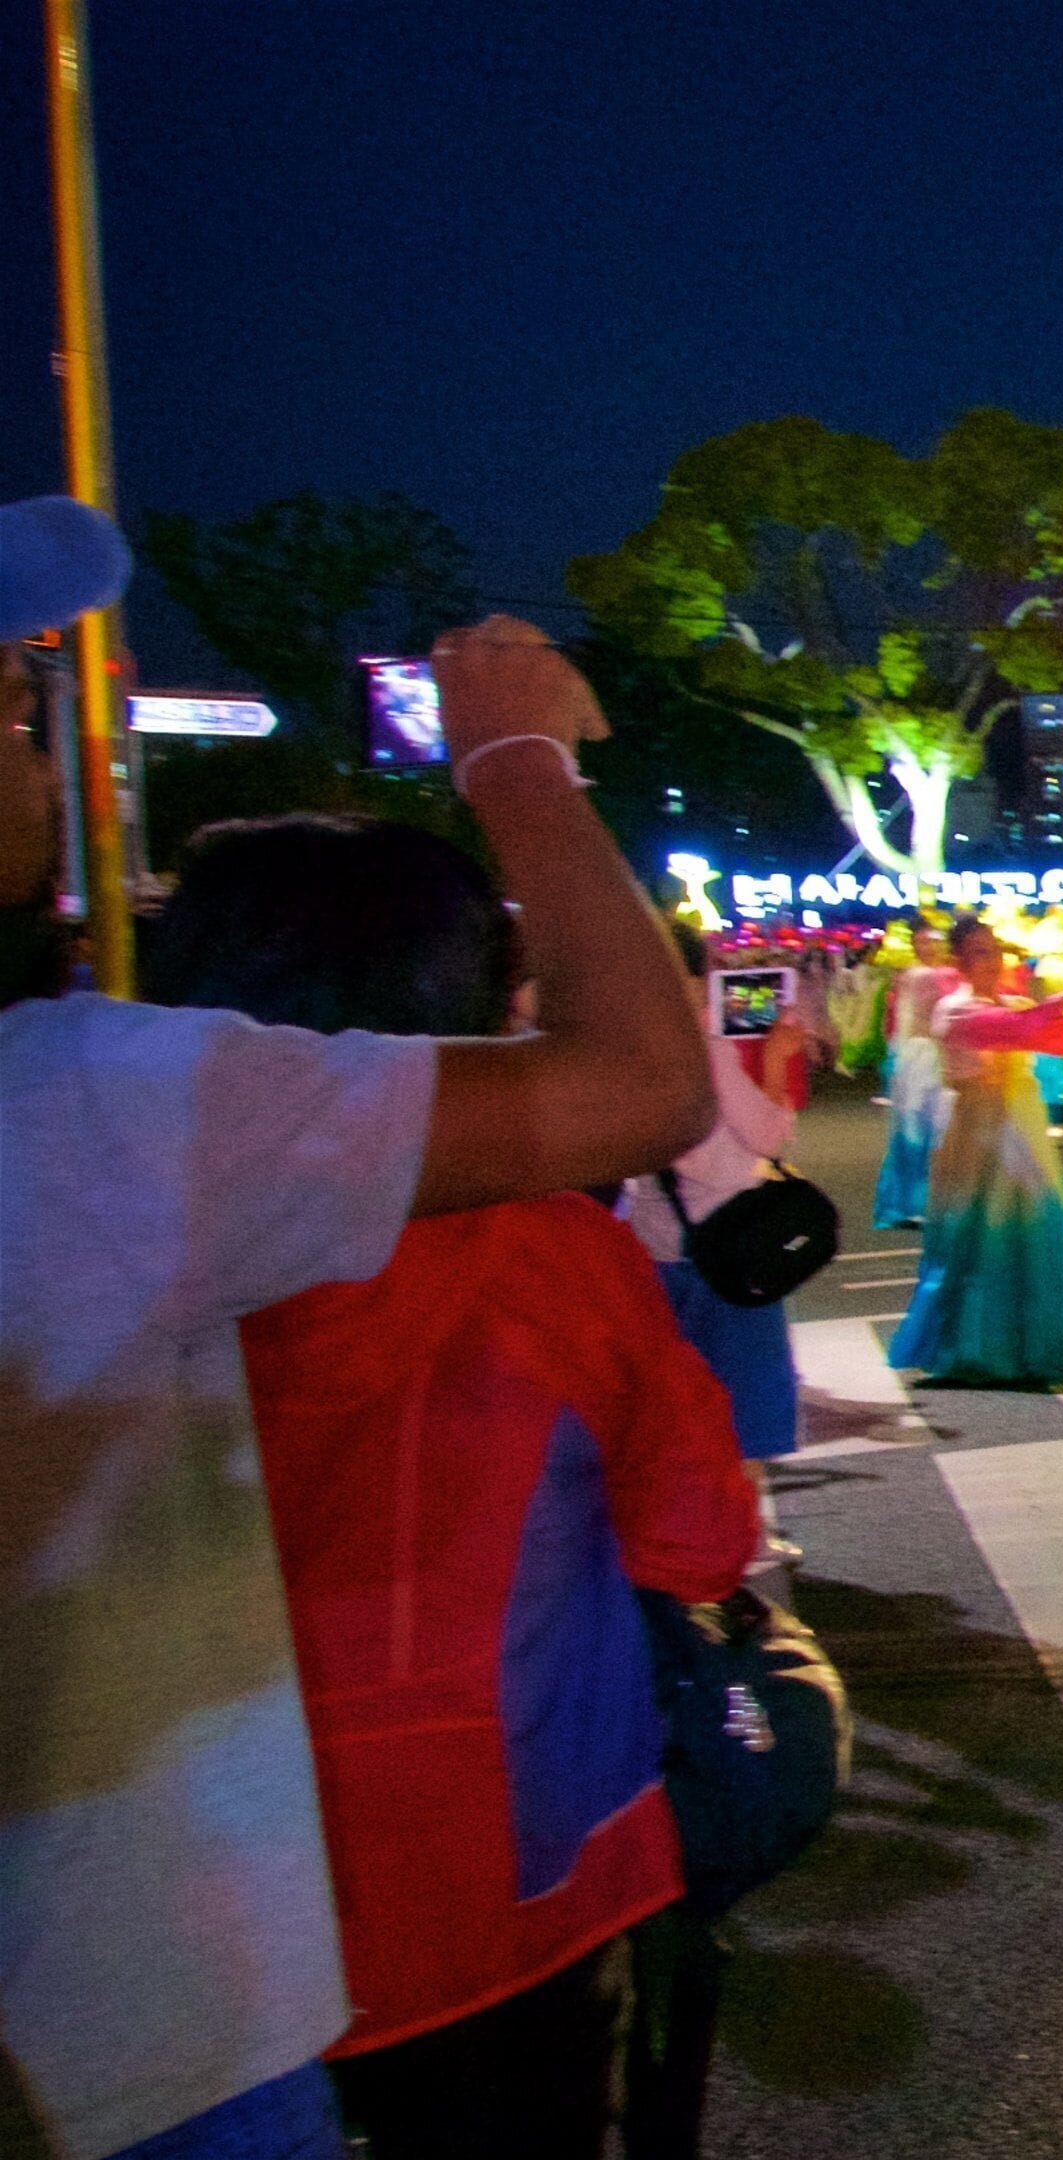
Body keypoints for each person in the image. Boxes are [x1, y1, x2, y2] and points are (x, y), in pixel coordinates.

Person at [2, 576, 712, 2160]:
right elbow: (693, 1527)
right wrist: (520, 757)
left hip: (152, 1962)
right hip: (437, 1900)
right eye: (7, 715)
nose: (48, 762)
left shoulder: (132, 1135)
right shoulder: (103, 1124)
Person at [144, 818, 760, 2160]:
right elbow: (699, 1536)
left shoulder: (89, 1229)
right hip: (521, 1868)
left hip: (179, 1903)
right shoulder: (547, 1251)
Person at [627, 919, 812, 1559]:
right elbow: (765, 1136)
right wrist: (780, 1059)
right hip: (728, 1256)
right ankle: (740, 1539)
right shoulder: (704, 1050)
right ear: (685, 980)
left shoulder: (621, 1053)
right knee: (744, 1406)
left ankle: (688, 1532)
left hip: (655, 1251)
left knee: (679, 1410)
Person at [882, 916, 1063, 1386]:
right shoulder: (955, 1011)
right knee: (977, 1239)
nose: (993, 960)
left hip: (1021, 1130)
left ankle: (1031, 1342)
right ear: (960, 961)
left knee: (1034, 1236)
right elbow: (1018, 1027)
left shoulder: (1010, 1000)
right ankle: (974, 1348)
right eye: (980, 952)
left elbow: (1059, 1036)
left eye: (996, 950)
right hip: (978, 1134)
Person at [873, 923, 960, 1228]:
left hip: (918, 1057)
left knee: (923, 1129)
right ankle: (923, 1204)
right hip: (922, 1058)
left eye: (935, 940)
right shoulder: (919, 976)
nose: (930, 946)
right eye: (923, 941)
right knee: (927, 1129)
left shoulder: (931, 975)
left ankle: (916, 1203)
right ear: (914, 944)